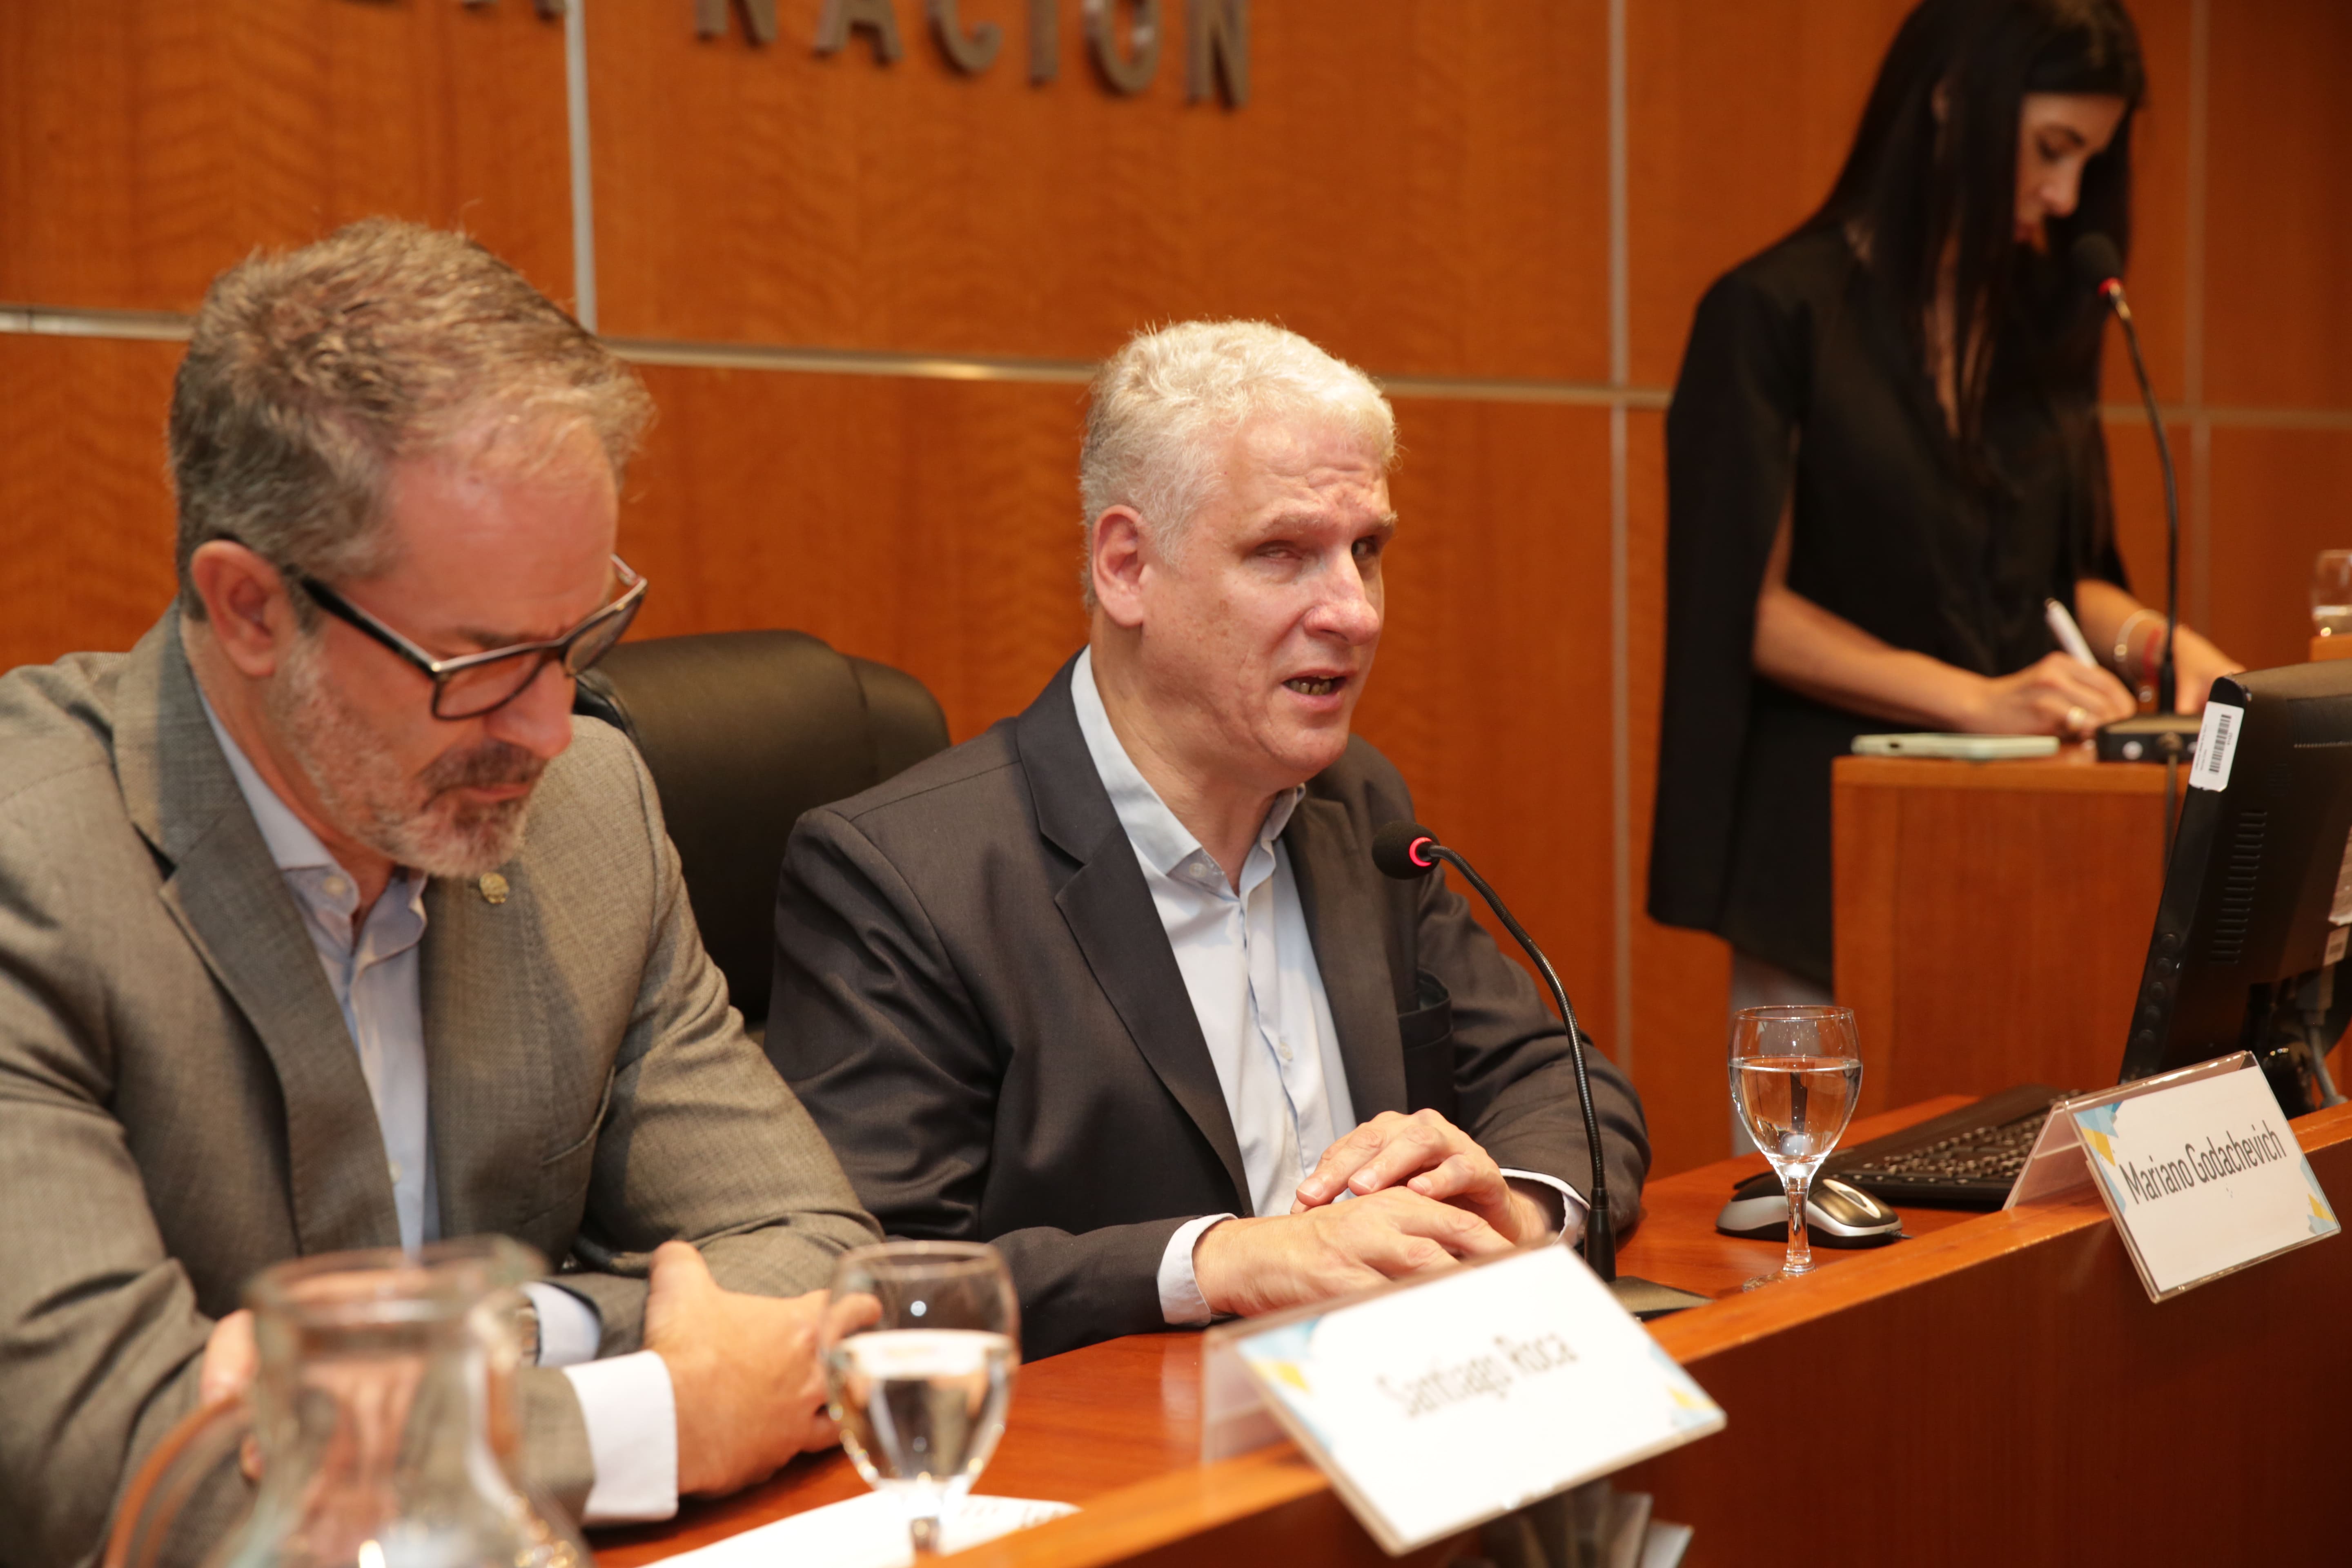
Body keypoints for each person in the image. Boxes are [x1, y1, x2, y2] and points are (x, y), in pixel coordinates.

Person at [0, 220, 882, 1566]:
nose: (546, 726)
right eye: (477, 663)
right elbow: (121, 1471)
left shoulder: (591, 812)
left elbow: (815, 1257)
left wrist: (441, 1354)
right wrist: (653, 1415)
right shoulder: (33, 871)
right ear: (248, 608)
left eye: (579, 636)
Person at [768, 320, 1651, 1359]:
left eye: (1366, 551)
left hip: (1408, 1414)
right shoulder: (910, 878)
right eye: (1285, 554)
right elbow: (870, 1275)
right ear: (1128, 568)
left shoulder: (1355, 807)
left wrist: (1514, 1207)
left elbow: (1565, 1082)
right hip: (1123, 1466)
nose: (1355, 613)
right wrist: (1213, 1262)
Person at [1648, 0, 2241, 1004]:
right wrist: (1974, 700)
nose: (2063, 196)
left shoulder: (2038, 328)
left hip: (2024, 841)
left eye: (2088, 164)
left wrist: (2156, 645)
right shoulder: (1771, 313)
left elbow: (2057, 578)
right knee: (1826, 1157)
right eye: (2052, 149)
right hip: (1829, 851)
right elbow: (1742, 606)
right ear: (1952, 99)